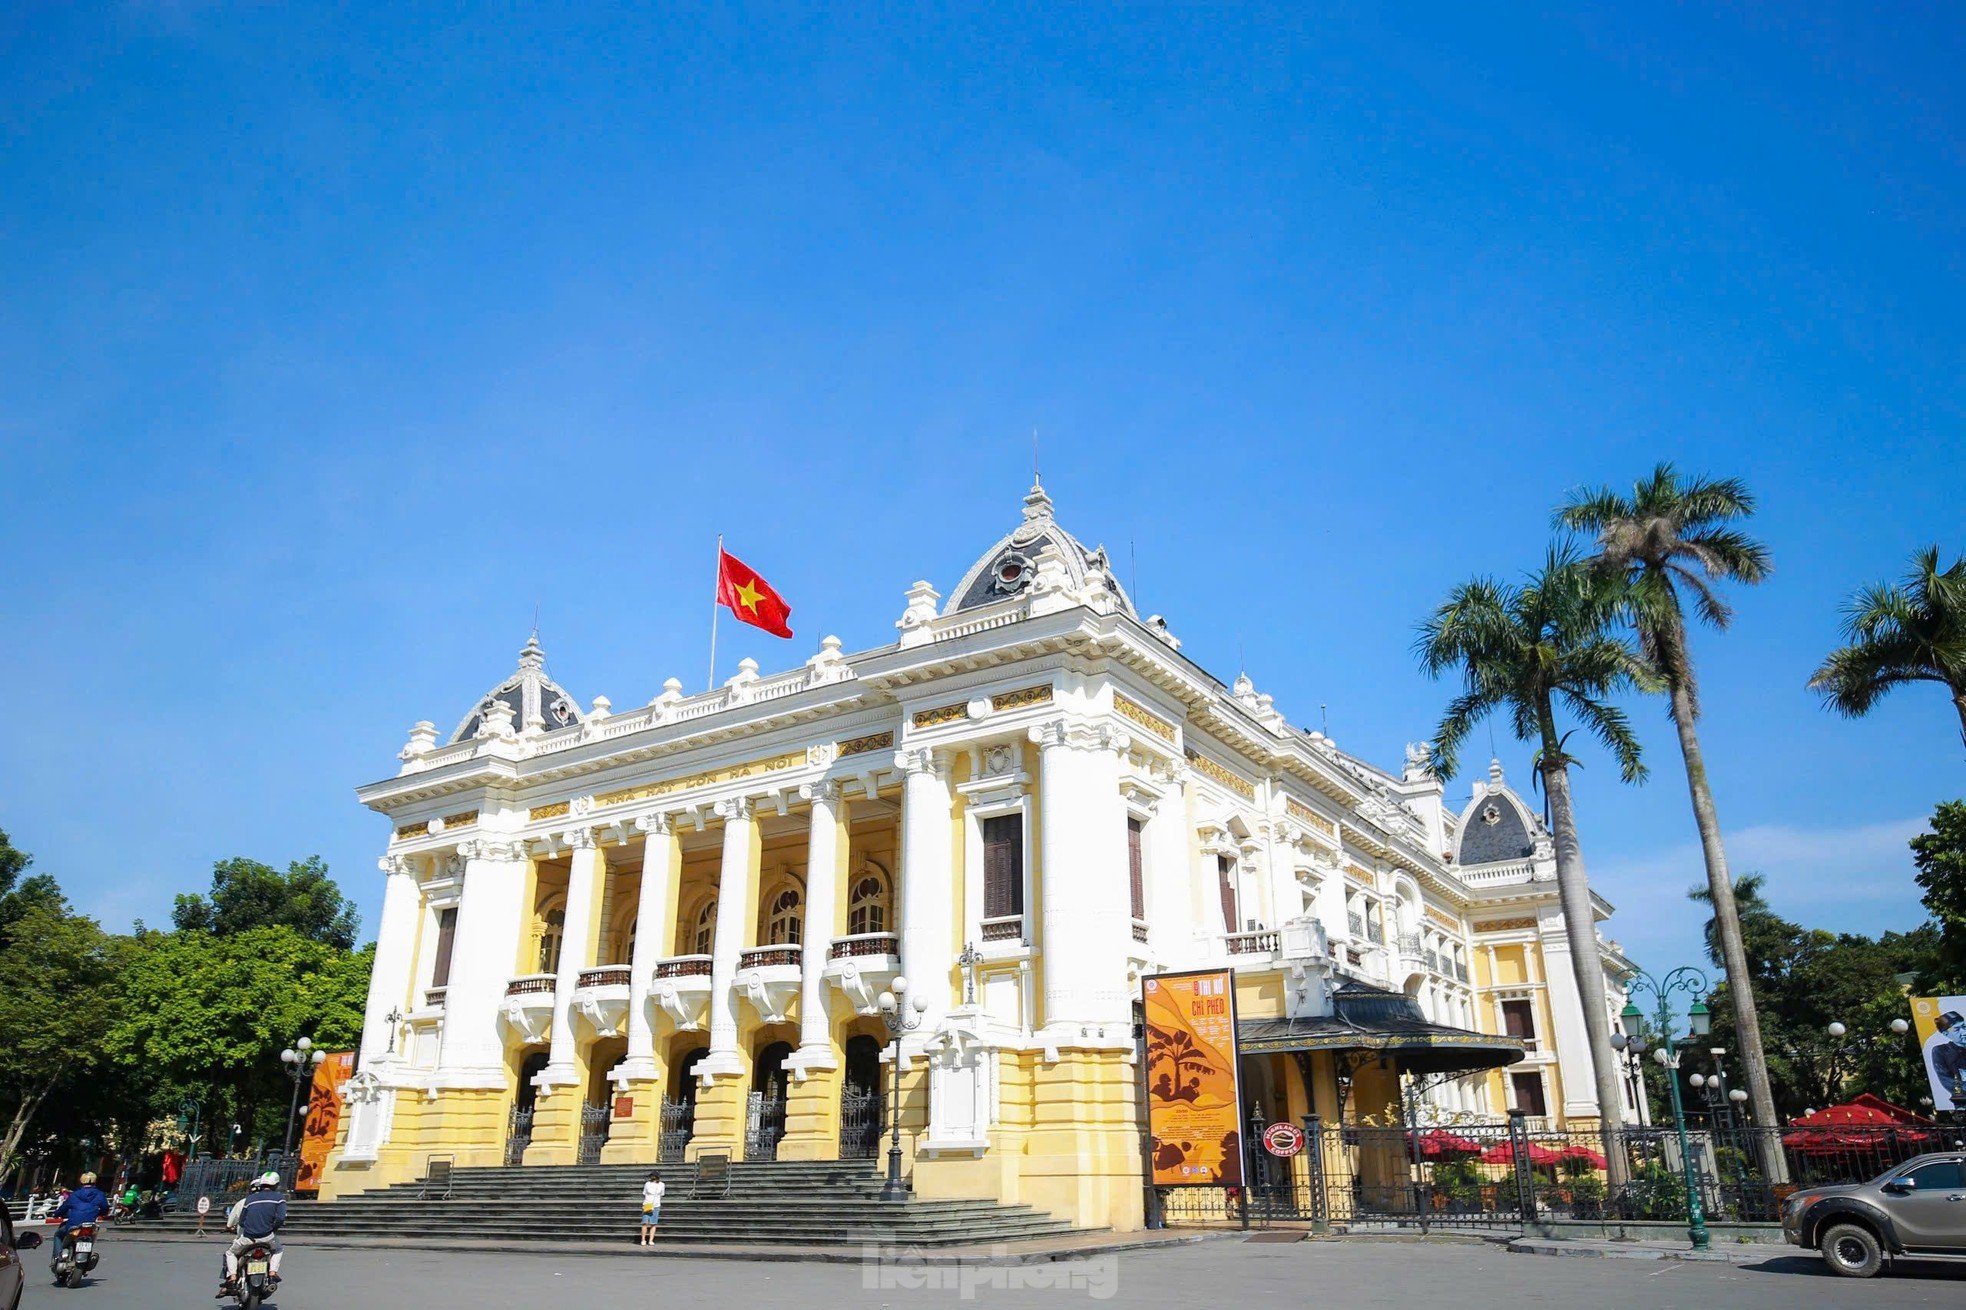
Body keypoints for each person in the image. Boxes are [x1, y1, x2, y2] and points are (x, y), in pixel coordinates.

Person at [217, 1172, 287, 1297]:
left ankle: (232, 1277)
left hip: (248, 1238)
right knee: (278, 1250)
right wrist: (273, 1227)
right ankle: (272, 1272)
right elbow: (281, 1218)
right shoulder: (279, 1198)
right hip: (268, 1237)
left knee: (230, 1253)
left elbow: (242, 1221)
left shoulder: (249, 1200)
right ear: (276, 1185)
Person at [49, 1172, 110, 1273]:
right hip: (90, 1226)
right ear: (95, 1181)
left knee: (58, 1235)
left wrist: (56, 1214)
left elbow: (64, 1207)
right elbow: (105, 1209)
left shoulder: (75, 1194)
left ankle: (57, 1257)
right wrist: (100, 1213)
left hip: (73, 1225)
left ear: (81, 1181)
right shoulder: (100, 1194)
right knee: (91, 1238)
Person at [639, 1170, 664, 1246]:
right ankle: (643, 1239)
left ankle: (651, 1240)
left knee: (653, 1223)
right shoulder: (647, 1184)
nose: (652, 1177)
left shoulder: (662, 1184)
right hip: (647, 1204)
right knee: (645, 1222)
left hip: (656, 1204)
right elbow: (644, 1193)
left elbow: (662, 1194)